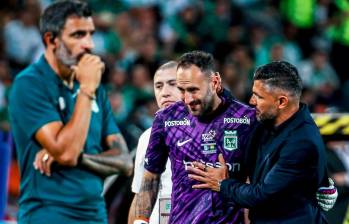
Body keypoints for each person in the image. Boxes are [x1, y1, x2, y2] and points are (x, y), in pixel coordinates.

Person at [8, 1, 132, 223]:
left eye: (90, 34)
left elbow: (124, 162)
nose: (89, 44)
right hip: (47, 215)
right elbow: (66, 153)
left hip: (95, 216)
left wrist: (83, 158)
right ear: (51, 40)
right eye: (78, 35)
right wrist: (86, 89)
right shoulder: (30, 84)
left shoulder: (95, 89)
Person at [188, 61, 330, 223]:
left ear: (282, 102)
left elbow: (261, 196)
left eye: (259, 96)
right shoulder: (271, 118)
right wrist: (217, 92)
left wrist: (222, 183)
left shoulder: (302, 142)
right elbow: (242, 112)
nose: (251, 101)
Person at [133, 50, 257, 224]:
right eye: (181, 90)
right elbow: (150, 178)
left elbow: (257, 184)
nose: (187, 99)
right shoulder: (166, 119)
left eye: (193, 90)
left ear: (214, 83)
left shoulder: (246, 119)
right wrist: (140, 221)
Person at [128, 61, 181, 224]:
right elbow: (139, 195)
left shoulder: (211, 131)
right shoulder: (146, 137)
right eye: (158, 86)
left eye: (173, 84)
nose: (164, 92)